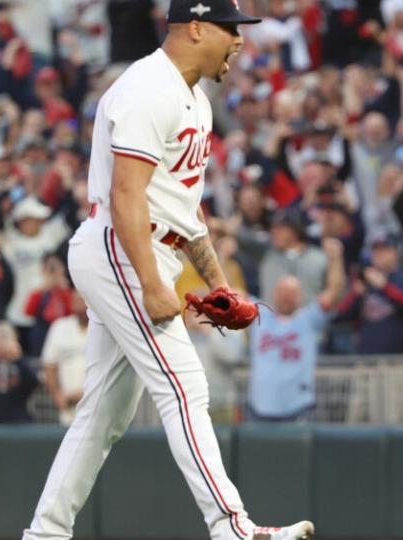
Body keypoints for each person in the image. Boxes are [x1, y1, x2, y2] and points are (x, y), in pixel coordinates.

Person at [22, 2, 315, 539]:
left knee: (103, 416)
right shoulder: (146, 88)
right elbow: (126, 193)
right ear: (196, 27)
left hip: (148, 245)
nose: (240, 41)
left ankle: (44, 534)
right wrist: (154, 284)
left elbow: (185, 210)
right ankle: (233, 528)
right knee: (184, 387)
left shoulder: (197, 101)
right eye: (231, 29)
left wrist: (218, 282)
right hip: (122, 246)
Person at [247, 238, 345, 421]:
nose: (286, 298)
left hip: (298, 409)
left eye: (291, 294)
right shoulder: (260, 314)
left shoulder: (308, 319)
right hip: (258, 409)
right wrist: (221, 256)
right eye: (283, 292)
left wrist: (335, 259)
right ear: (274, 294)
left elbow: (334, 293)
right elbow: (229, 294)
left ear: (300, 297)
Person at [40, 291, 89, 426]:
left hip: (99, 402)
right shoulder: (60, 326)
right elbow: (49, 365)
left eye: (83, 300)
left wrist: (88, 393)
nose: (80, 305)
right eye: (76, 301)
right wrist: (57, 395)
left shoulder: (105, 327)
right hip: (68, 406)